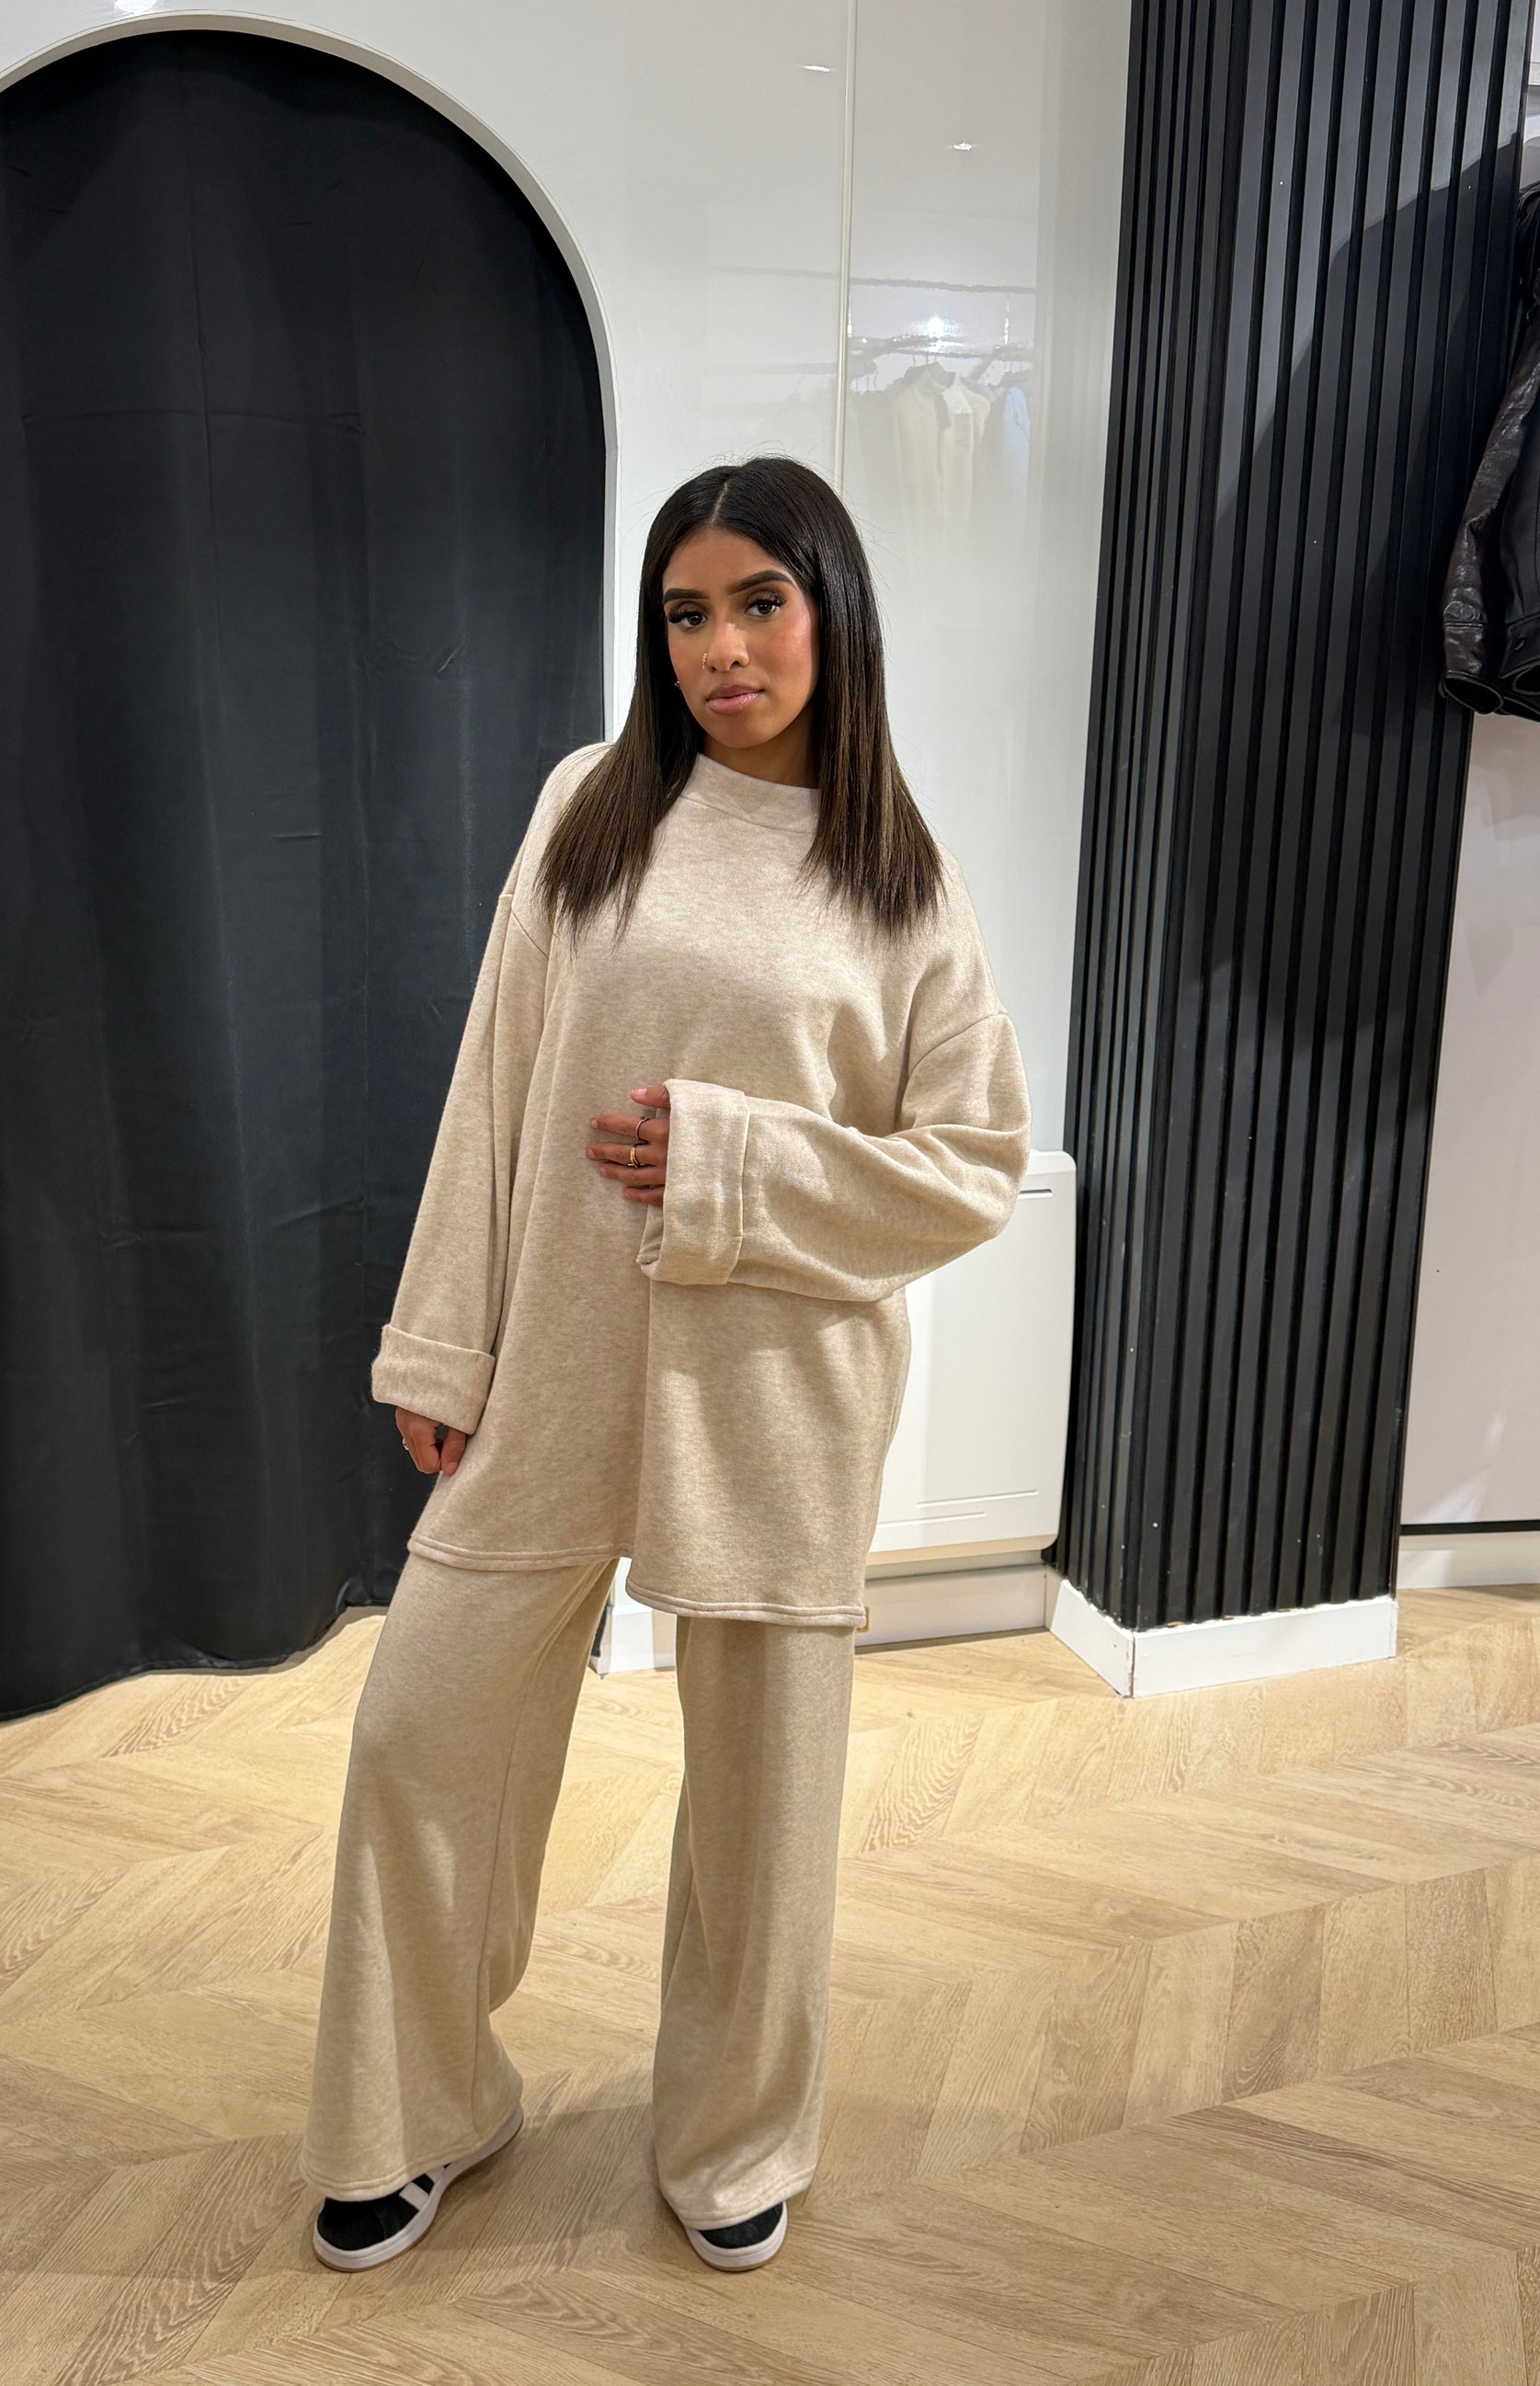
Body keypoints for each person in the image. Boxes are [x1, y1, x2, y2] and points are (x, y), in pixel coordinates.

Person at [299, 453, 1032, 2274]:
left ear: (831, 611)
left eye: (759, 603)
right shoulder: (592, 806)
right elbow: (495, 1079)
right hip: (557, 1351)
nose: (722, 648)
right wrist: (441, 1341)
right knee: (422, 1731)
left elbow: (972, 1165)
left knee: (762, 1799)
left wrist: (732, 1162)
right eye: (686, 612)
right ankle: (416, 2105)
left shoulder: (900, 880)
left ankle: (733, 2137)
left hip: (780, 1389)